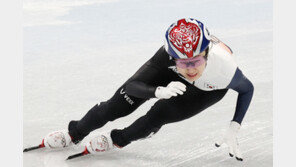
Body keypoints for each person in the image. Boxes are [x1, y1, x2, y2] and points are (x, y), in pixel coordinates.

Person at [37, 18, 254, 161]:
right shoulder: (167, 55)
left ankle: (117, 139)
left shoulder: (225, 70)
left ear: (206, 53)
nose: (189, 70)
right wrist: (157, 91)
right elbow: (132, 85)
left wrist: (234, 126)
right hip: (170, 72)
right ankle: (74, 133)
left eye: (195, 61)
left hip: (209, 88)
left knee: (158, 115)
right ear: (172, 55)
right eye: (182, 62)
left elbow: (247, 89)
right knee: (117, 105)